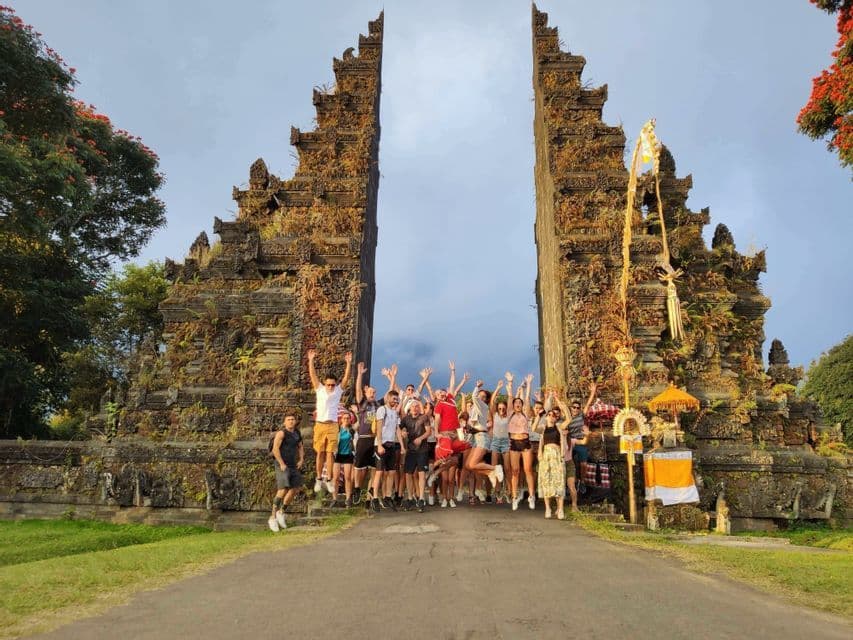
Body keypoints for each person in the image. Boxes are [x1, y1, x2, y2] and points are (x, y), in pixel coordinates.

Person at [307, 349, 352, 495]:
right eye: (329, 385)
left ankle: (329, 479)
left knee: (330, 453)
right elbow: (313, 375)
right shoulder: (319, 389)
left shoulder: (338, 391)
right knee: (320, 452)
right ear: (325, 384)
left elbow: (346, 379)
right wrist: (311, 360)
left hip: (332, 424)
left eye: (333, 385)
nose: (331, 387)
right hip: (320, 424)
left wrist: (348, 363)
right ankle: (319, 478)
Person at [429, 362, 470, 508]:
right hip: (445, 435)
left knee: (452, 472)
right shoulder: (439, 405)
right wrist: (436, 433)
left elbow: (453, 386)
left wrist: (453, 370)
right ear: (436, 396)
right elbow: (437, 420)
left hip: (456, 435)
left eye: (442, 392)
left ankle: (451, 497)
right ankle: (445, 498)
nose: (441, 394)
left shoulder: (451, 399)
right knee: (445, 475)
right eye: (438, 393)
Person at [463, 380, 504, 502]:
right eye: (480, 395)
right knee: (468, 465)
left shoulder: (483, 406)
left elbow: (474, 397)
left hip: (482, 437)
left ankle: (494, 469)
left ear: (485, 399)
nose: (481, 397)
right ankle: (490, 472)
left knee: (473, 463)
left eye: (483, 396)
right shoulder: (475, 410)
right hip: (476, 438)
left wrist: (476, 387)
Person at [370, 383, 404, 513]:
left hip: (391, 444)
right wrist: (379, 445)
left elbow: (397, 430)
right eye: (394, 399)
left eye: (397, 399)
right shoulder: (382, 410)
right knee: (379, 472)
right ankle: (374, 498)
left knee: (391, 472)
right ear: (388, 398)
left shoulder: (395, 413)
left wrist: (401, 445)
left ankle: (388, 496)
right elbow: (378, 428)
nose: (395, 401)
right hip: (381, 444)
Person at [268, 411, 304, 532]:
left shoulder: (297, 433)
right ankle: (272, 517)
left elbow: (300, 446)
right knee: (282, 489)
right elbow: (275, 449)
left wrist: (301, 459)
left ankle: (281, 511)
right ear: (284, 422)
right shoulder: (281, 433)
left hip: (293, 464)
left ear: (295, 421)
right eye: (288, 419)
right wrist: (281, 463)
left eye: (292, 419)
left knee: (295, 488)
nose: (291, 421)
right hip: (282, 464)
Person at [505, 372, 536, 511]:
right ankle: (514, 497)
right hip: (514, 443)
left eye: (519, 403)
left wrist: (528, 384)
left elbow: (527, 398)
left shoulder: (525, 413)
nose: (517, 404)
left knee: (528, 469)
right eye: (516, 403)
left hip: (525, 442)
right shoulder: (510, 413)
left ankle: (531, 496)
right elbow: (511, 397)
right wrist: (510, 383)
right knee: (515, 471)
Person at [352, 361, 381, 504]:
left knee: (374, 468)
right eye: (370, 392)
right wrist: (359, 375)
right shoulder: (363, 404)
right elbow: (357, 391)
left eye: (374, 392)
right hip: (363, 438)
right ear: (366, 392)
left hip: (374, 439)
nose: (373, 394)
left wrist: (391, 378)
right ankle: (357, 488)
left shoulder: (378, 405)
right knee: (359, 466)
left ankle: (370, 494)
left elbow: (390, 395)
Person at [537, 402, 570, 520]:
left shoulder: (559, 427)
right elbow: (534, 428)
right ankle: (548, 508)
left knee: (559, 481)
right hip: (546, 456)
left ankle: (560, 508)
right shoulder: (543, 428)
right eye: (549, 414)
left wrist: (562, 405)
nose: (551, 416)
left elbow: (569, 419)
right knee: (546, 481)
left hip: (556, 455)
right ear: (546, 417)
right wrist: (538, 416)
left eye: (553, 415)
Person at [401, 399, 432, 512]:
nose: (415, 408)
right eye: (413, 406)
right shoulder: (405, 419)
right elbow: (399, 430)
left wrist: (420, 438)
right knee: (408, 474)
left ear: (419, 408)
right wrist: (402, 433)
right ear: (409, 408)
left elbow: (429, 432)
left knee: (421, 474)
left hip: (422, 450)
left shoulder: (424, 417)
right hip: (410, 450)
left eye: (417, 406)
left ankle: (421, 499)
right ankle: (410, 498)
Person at [489, 382, 511, 504]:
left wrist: (509, 390)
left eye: (503, 408)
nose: (502, 410)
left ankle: (508, 491)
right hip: (496, 441)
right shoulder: (495, 415)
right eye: (500, 408)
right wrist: (497, 388)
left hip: (506, 442)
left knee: (507, 469)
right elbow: (492, 402)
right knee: (495, 468)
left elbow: (511, 401)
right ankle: (497, 493)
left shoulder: (508, 416)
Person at [331, 410, 355, 507]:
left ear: (350, 420)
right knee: (336, 478)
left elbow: (355, 442)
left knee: (347, 477)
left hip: (348, 455)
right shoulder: (337, 430)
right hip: (338, 455)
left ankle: (348, 498)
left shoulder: (352, 430)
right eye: (344, 418)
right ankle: (334, 498)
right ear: (341, 420)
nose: (346, 420)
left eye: (348, 418)